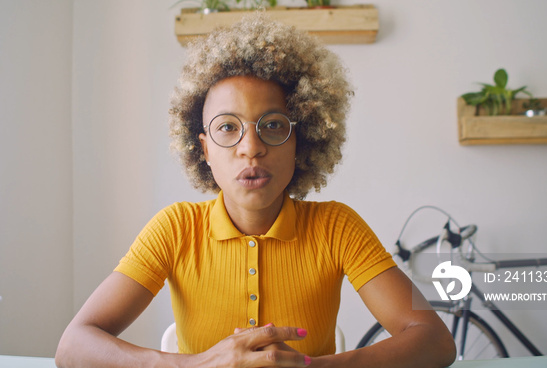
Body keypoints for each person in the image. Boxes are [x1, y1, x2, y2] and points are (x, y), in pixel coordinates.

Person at [56, 13, 456, 368]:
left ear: (302, 141)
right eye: (228, 127)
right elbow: (73, 346)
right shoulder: (175, 229)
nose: (251, 146)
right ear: (204, 149)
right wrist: (194, 365)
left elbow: (435, 341)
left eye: (273, 125)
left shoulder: (337, 226)